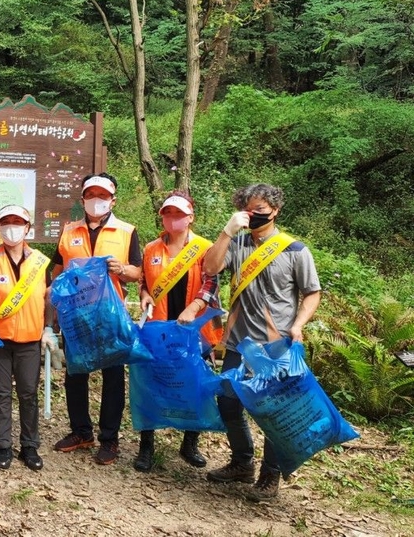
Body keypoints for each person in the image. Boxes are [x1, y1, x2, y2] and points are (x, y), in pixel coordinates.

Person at [203, 183, 321, 501]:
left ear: (275, 210)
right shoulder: (237, 243)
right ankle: (242, 462)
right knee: (228, 402)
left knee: (272, 410)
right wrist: (226, 232)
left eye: (260, 211)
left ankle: (270, 476)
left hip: (276, 344)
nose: (254, 216)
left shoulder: (295, 250)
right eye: (248, 210)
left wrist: (298, 324)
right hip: (239, 342)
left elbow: (312, 293)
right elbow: (210, 267)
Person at [51, 172, 142, 465]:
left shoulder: (127, 231)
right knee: (75, 373)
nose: (96, 201)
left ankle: (109, 438)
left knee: (113, 376)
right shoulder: (69, 231)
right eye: (91, 195)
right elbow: (57, 270)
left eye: (102, 196)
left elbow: (138, 273)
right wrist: (53, 306)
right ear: (82, 199)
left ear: (113, 199)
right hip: (76, 315)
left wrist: (121, 269)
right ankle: (81, 431)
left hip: (109, 315)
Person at [134, 191, 222, 472]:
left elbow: (211, 284)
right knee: (151, 384)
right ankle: (146, 446)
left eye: (179, 215)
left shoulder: (205, 248)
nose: (173, 219)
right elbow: (146, 282)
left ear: (190, 218)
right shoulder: (151, 249)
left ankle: (189, 443)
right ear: (162, 217)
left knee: (193, 384)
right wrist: (145, 293)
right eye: (168, 214)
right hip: (158, 328)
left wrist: (194, 308)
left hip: (192, 328)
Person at [0, 205, 51, 471]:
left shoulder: (40, 261)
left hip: (30, 338)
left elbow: (48, 297)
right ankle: (3, 444)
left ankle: (30, 446)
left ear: (28, 228)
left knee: (29, 393)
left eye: (17, 222)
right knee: (0, 393)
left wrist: (49, 329)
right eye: (6, 222)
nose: (12, 227)